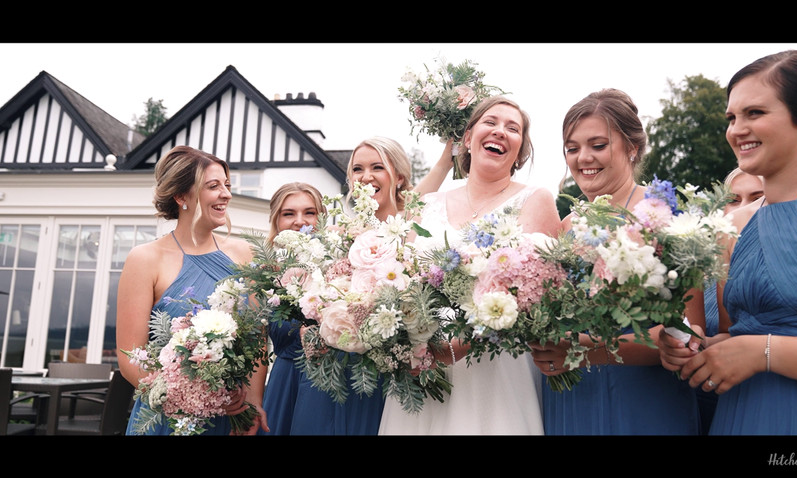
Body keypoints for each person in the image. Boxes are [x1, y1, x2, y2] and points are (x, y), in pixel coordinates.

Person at [659, 50, 797, 435]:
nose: (736, 130)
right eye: (732, 118)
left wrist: (764, 353)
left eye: (755, 114)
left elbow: (754, 346)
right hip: (738, 418)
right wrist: (688, 347)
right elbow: (737, 334)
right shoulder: (731, 225)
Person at [378, 95, 562, 435]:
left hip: (495, 368)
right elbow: (395, 281)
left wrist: (467, 339)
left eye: (513, 128)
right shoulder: (427, 204)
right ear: (467, 138)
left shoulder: (536, 199)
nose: (500, 132)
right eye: (490, 122)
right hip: (424, 365)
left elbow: (542, 292)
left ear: (521, 152)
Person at [528, 88, 703, 435]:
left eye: (598, 145)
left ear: (632, 147)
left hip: (642, 399)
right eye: (572, 148)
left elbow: (689, 333)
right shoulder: (565, 230)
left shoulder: (666, 221)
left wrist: (583, 351)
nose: (583, 158)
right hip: (573, 398)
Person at [289, 136, 453, 435]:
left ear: (399, 176)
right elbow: (313, 298)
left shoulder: (410, 226)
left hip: (388, 373)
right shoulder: (338, 233)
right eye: (357, 169)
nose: (366, 177)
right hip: (334, 368)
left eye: (377, 167)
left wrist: (449, 153)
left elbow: (432, 180)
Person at [116, 145, 267, 435]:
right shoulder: (145, 259)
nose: (226, 194)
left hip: (230, 421)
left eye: (227, 185)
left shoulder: (245, 253)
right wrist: (194, 400)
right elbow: (129, 356)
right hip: (167, 419)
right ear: (181, 196)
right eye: (213, 186)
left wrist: (252, 401)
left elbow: (258, 338)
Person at [695, 167, 763, 435]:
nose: (742, 209)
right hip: (701, 402)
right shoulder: (697, 270)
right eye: (733, 200)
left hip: (756, 400)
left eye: (757, 198)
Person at [257, 182, 326, 435]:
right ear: (276, 221)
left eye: (309, 212)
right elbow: (256, 348)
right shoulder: (263, 276)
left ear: (322, 218)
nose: (299, 221)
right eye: (289, 213)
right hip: (284, 386)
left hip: (329, 386)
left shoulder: (338, 268)